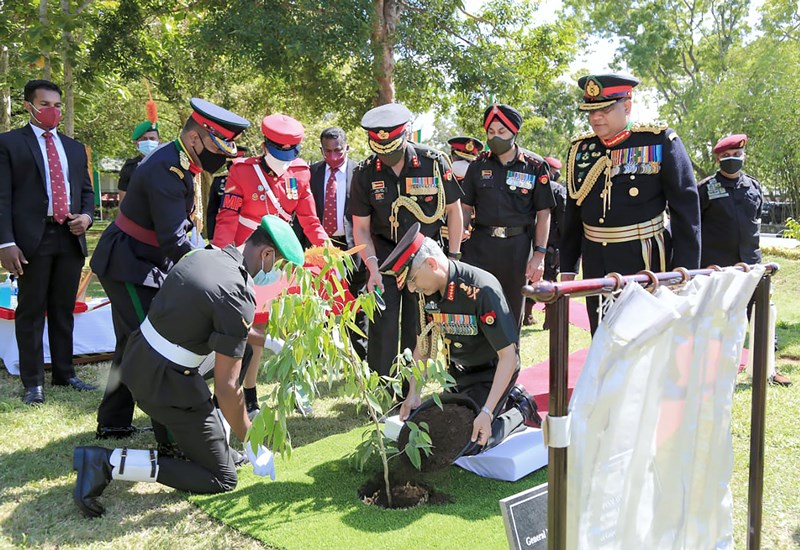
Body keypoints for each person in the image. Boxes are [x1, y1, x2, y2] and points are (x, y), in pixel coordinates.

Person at [72, 215, 304, 518]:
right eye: (278, 265)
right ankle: (107, 462)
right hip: (164, 383)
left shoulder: (203, 256)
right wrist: (252, 441)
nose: (274, 273)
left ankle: (213, 437)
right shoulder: (238, 293)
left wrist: (269, 341)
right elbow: (227, 387)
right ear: (267, 254)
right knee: (222, 477)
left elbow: (217, 321)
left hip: (139, 357)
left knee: (244, 350)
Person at [91, 98, 249, 438]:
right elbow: (175, 241)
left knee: (131, 342)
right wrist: (217, 272)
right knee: (153, 346)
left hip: (145, 259)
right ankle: (173, 434)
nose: (221, 158)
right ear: (194, 139)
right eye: (217, 149)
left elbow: (180, 231)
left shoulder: (180, 161)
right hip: (129, 263)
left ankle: (114, 421)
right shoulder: (167, 170)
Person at [380, 223, 540, 453]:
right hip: (457, 375)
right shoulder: (426, 294)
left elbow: (509, 357)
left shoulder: (480, 289)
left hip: (491, 373)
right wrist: (413, 394)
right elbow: (423, 346)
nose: (412, 289)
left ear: (431, 264)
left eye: (412, 280)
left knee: (473, 440)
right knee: (433, 432)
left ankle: (520, 408)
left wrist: (487, 413)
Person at [560, 74, 701, 333]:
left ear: (627, 106)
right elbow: (573, 213)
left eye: (604, 110)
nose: (595, 118)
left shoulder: (658, 141)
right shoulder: (580, 149)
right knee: (602, 335)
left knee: (645, 337)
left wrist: (684, 271)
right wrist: (568, 267)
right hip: (596, 260)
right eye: (591, 111)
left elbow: (685, 210)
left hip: (644, 259)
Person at [211, 113, 328, 414]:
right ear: (265, 146)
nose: (285, 160)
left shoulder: (300, 172)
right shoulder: (242, 170)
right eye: (279, 152)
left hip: (281, 259)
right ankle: (246, 393)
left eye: (291, 152)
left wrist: (324, 246)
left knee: (292, 326)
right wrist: (220, 254)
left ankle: (297, 390)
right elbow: (227, 217)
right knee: (250, 328)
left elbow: (309, 218)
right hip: (248, 257)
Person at [349, 103, 464, 379]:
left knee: (419, 323)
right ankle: (383, 387)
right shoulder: (365, 172)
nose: (387, 156)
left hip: (425, 256)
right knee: (383, 325)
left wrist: (453, 259)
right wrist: (372, 268)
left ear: (406, 135)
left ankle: (411, 388)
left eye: (392, 149)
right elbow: (361, 228)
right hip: (385, 256)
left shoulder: (433, 162)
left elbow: (454, 211)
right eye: (381, 150)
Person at [0, 79, 96, 405]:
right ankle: (33, 382)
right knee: (31, 310)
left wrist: (87, 217)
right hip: (31, 239)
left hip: (69, 237)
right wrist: (5, 243)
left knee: (63, 309)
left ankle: (65, 372)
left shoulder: (74, 148)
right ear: (28, 106)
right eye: (45, 105)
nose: (52, 111)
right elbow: (2, 198)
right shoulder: (9, 144)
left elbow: (86, 192)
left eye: (56, 105)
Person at [699, 133, 791, 386]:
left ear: (744, 156)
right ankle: (712, 373)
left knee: (762, 317)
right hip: (717, 267)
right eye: (727, 156)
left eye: (737, 155)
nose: (732, 159)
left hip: (752, 266)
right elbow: (693, 227)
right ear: (718, 159)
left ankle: (767, 370)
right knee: (716, 320)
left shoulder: (753, 186)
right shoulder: (705, 188)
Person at [460, 104, 555, 331]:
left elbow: (543, 213)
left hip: (517, 249)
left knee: (511, 315)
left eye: (501, 132)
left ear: (514, 132)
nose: (495, 137)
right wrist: (460, 233)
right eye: (491, 132)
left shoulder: (534, 166)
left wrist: (539, 255)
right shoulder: (478, 165)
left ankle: (512, 356)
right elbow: (465, 207)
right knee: (478, 313)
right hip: (481, 247)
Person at [294, 126, 367, 360]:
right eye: (328, 151)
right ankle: (319, 356)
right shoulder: (311, 173)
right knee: (318, 302)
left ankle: (359, 357)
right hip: (318, 248)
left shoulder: (361, 173)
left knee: (355, 303)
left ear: (347, 147)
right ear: (321, 150)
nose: (333, 156)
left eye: (338, 151)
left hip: (352, 247)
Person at [523, 155, 566, 327]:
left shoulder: (528, 183)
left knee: (529, 278)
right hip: (551, 243)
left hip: (528, 241)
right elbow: (563, 217)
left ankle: (526, 315)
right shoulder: (557, 189)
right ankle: (549, 320)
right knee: (550, 280)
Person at [206, 146, 249, 241]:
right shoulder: (219, 181)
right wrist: (211, 236)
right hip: (225, 233)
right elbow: (212, 211)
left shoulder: (252, 182)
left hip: (247, 233)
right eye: (231, 164)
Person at [117, 120, 160, 204]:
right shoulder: (129, 167)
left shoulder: (168, 164)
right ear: (136, 143)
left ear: (159, 141)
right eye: (144, 139)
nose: (148, 142)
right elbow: (123, 202)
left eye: (152, 139)